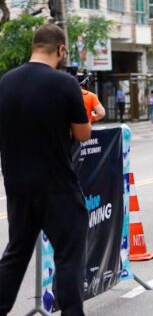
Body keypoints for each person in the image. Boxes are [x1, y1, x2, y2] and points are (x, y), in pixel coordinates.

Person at [0, 24, 92, 316]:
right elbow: (83, 134)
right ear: (61, 50)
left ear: (34, 46)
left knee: (15, 256)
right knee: (68, 255)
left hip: (17, 186)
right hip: (57, 186)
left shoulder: (5, 82)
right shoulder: (64, 83)